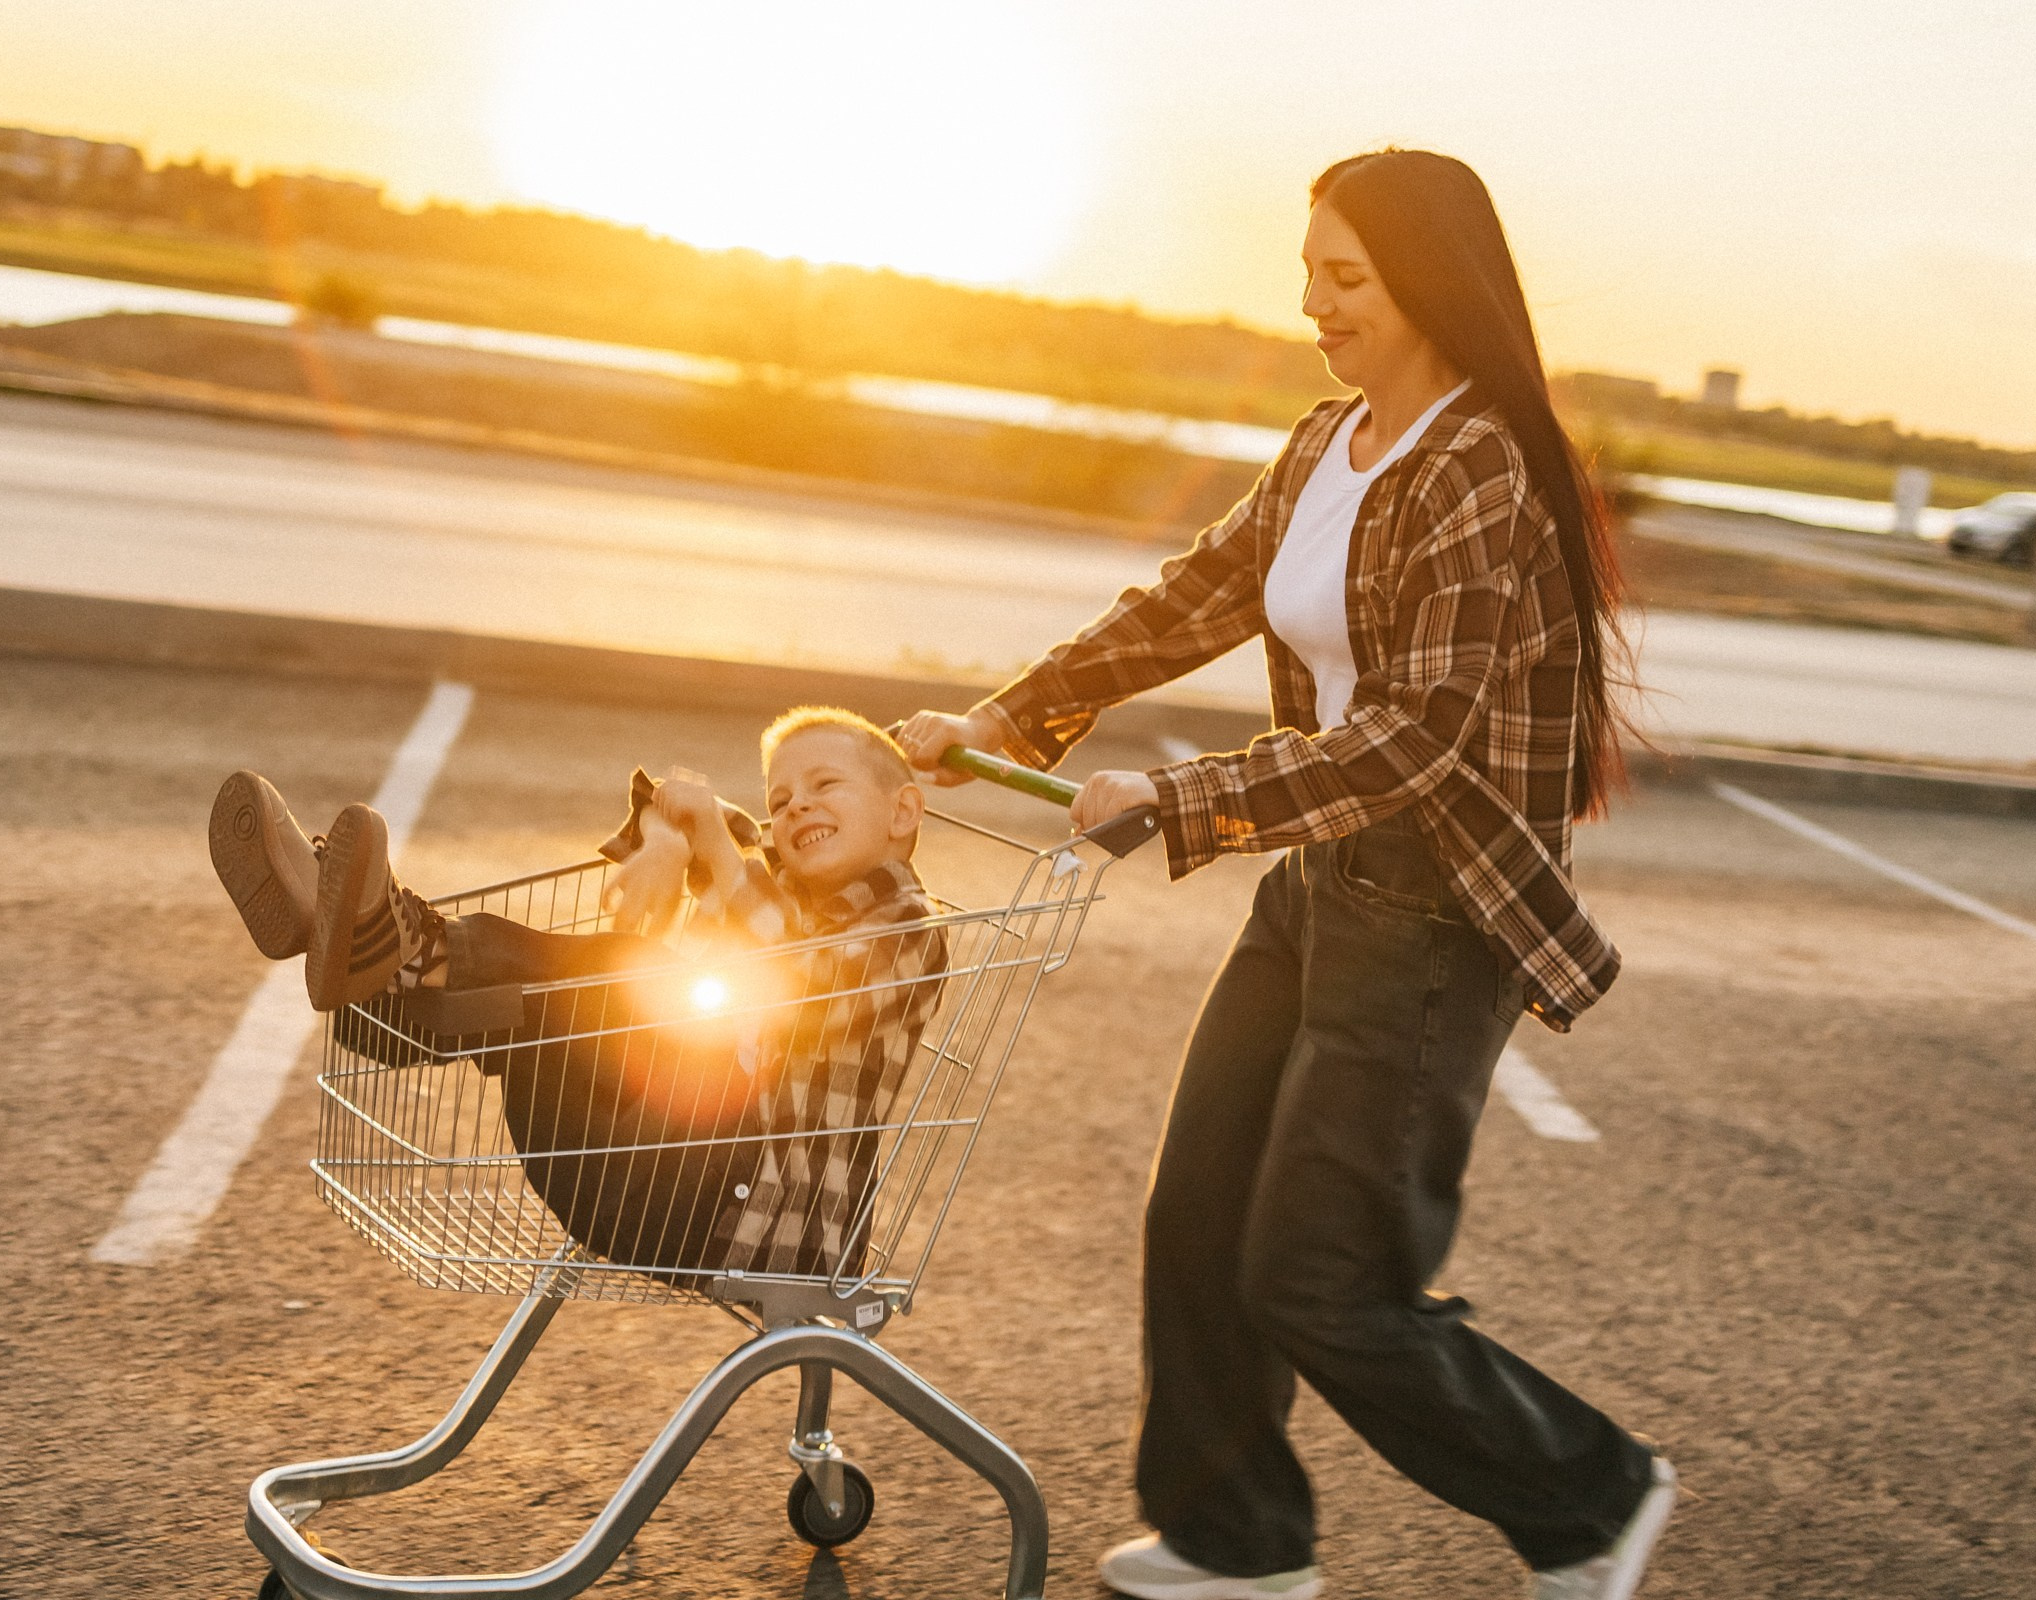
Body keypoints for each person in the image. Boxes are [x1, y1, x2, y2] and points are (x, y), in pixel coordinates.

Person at [899, 151, 1675, 1600]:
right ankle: (1235, 1543)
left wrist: (1183, 797)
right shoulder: (1332, 441)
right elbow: (1196, 594)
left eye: (1345, 277)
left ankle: (1594, 1491)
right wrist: (1010, 717)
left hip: (1440, 915)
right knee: (1197, 1214)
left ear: (1428, 284)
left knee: (1322, 1281)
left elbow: (1418, 738)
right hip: (1323, 883)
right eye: (1308, 270)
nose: (1312, 303)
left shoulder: (1484, 470)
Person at [207, 706, 946, 1278]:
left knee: (632, 975)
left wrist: (710, 851)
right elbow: (687, 803)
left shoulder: (908, 930)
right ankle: (370, 961)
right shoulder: (770, 876)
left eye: (824, 788)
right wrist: (667, 839)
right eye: (781, 799)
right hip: (621, 1162)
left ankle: (400, 962)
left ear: (903, 814)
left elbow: (802, 983)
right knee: (566, 1002)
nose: (794, 811)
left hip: (744, 1214)